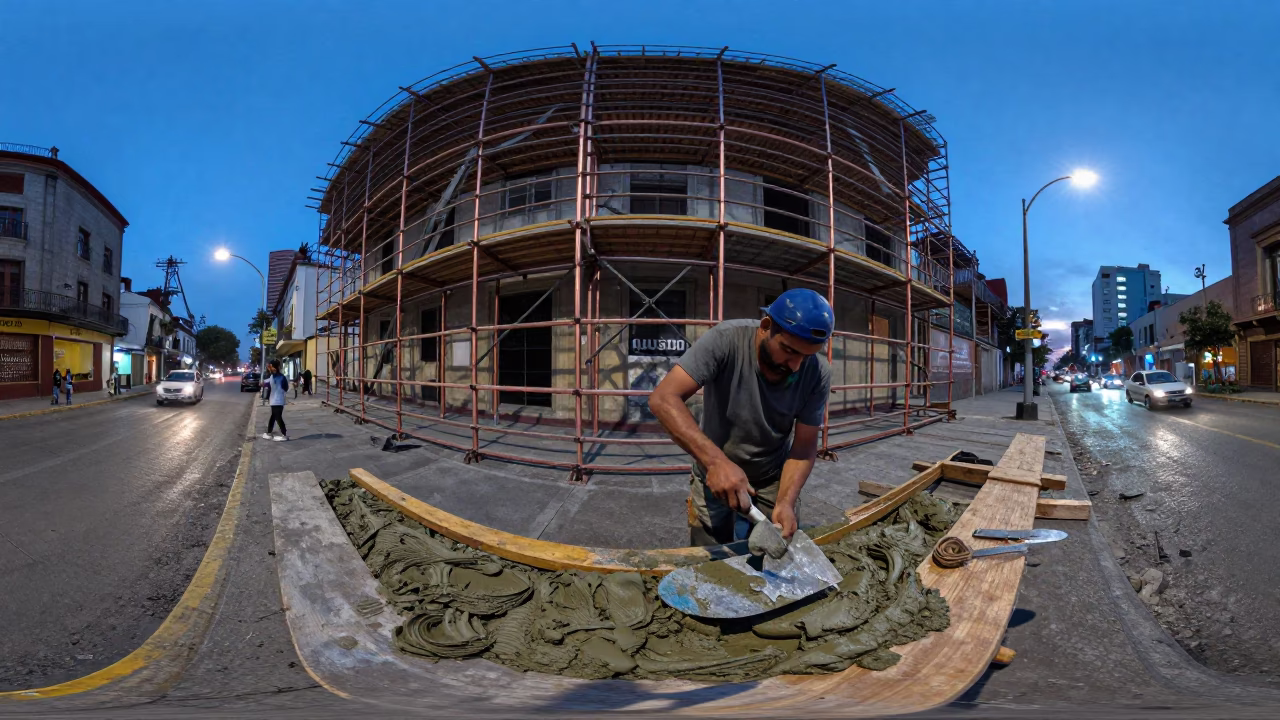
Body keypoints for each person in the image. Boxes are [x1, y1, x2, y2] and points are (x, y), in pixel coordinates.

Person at [649, 288, 833, 546]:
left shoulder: (818, 372)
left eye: (807, 356)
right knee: (709, 561)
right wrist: (715, 463)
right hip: (714, 472)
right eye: (789, 350)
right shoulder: (725, 340)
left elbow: (803, 447)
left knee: (777, 552)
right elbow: (663, 399)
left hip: (773, 479)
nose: (795, 366)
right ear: (766, 326)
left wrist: (785, 501)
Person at [262, 361, 289, 442]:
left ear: (274, 367)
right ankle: (269, 433)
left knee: (278, 417)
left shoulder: (274, 377)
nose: (270, 368)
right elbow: (286, 388)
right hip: (277, 400)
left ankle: (284, 434)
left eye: (271, 366)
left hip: (276, 400)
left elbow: (265, 383)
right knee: (273, 417)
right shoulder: (280, 377)